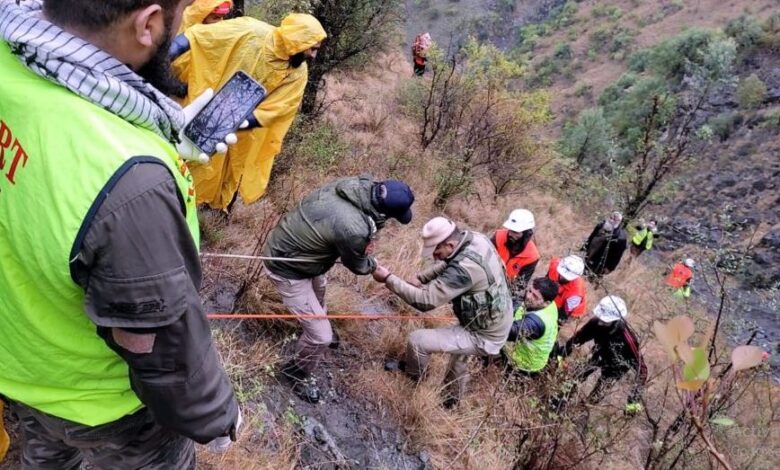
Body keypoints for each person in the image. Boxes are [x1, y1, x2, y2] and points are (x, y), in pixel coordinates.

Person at [0, 1, 241, 467]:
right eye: (181, 11)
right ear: (148, 23)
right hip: (104, 404)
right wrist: (216, 417)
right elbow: (163, 347)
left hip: (17, 363)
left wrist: (161, 142)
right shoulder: (132, 187)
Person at [263, 176, 415, 403]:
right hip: (287, 267)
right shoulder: (354, 229)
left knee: (320, 290)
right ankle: (295, 372)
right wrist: (374, 266)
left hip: (295, 249)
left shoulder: (355, 186)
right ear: (384, 212)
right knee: (321, 337)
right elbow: (357, 264)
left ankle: (314, 326)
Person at [172, 13, 327, 210]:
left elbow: (279, 107)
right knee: (178, 155)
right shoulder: (250, 30)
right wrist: (164, 54)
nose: (313, 55)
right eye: (311, 48)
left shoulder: (297, 72)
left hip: (237, 133)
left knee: (218, 174)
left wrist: (233, 123)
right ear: (297, 40)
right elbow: (200, 37)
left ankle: (198, 212)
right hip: (200, 107)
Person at [374, 217, 513, 408]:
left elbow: (426, 301)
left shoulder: (464, 269)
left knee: (418, 341)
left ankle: (413, 377)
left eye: (436, 251)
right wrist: (421, 278)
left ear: (450, 243)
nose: (435, 257)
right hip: (497, 317)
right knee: (459, 359)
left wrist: (388, 279)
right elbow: (449, 261)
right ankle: (451, 400)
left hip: (484, 334)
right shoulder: (474, 239)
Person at [558, 296, 647, 413]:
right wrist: (561, 355)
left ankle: (579, 412)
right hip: (599, 354)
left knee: (599, 392)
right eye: (600, 318)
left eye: (604, 321)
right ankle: (559, 402)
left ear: (615, 320)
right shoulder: (595, 323)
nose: (600, 322)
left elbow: (642, 370)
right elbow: (577, 339)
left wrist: (632, 401)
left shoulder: (628, 339)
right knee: (577, 375)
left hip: (617, 367)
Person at [505, 277, 560, 375]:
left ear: (546, 303)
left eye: (535, 296)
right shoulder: (550, 303)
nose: (529, 296)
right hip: (525, 354)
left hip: (525, 364)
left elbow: (508, 332)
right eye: (530, 291)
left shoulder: (535, 323)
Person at [491, 209, 540, 302]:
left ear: (526, 233)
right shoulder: (498, 236)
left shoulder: (532, 256)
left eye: (516, 232)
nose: (510, 234)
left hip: (503, 290)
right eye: (510, 230)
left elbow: (520, 285)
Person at [584, 211, 628, 278]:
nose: (611, 220)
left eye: (614, 220)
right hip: (589, 253)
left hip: (601, 261)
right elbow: (591, 236)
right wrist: (584, 247)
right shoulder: (601, 225)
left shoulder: (621, 238)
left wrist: (610, 268)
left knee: (592, 276)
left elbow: (617, 256)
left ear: (619, 222)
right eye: (611, 218)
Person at [546, 255, 587, 322]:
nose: (563, 277)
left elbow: (564, 313)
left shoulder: (575, 294)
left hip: (567, 309)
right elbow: (546, 280)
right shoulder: (555, 265)